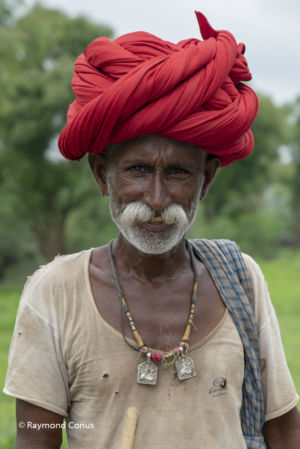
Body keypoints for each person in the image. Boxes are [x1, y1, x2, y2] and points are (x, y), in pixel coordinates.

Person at [3, 11, 300, 449]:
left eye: (178, 173)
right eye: (138, 170)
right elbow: (35, 438)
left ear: (207, 180)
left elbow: (283, 428)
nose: (157, 200)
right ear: (103, 176)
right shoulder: (54, 293)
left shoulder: (241, 280)